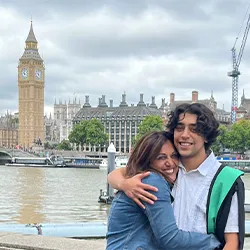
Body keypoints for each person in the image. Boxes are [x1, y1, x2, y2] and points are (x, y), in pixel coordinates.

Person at [108, 103, 245, 250]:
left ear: (206, 136)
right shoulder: (168, 171)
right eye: (179, 128)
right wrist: (124, 184)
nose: (185, 134)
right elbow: (121, 172)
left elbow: (232, 242)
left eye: (194, 129)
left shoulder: (226, 180)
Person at [106, 131, 220, 250]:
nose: (170, 163)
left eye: (174, 156)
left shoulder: (138, 177)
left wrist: (122, 183)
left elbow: (116, 174)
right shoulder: (152, 180)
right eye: (161, 157)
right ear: (147, 160)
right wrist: (214, 241)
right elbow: (170, 238)